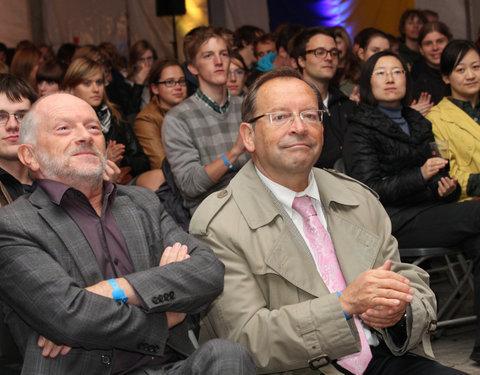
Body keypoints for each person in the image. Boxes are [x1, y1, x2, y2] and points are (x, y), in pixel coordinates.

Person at [190, 67, 464, 375]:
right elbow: (246, 339)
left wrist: (397, 312)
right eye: (280, 117)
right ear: (248, 136)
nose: (299, 127)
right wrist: (343, 306)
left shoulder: (357, 197)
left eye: (310, 115)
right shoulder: (219, 224)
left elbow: (405, 280)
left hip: (381, 355)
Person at [0, 92, 256, 375]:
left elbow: (208, 271)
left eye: (93, 126)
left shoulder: (141, 202)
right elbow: (71, 316)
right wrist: (166, 315)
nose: (85, 136)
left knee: (227, 355)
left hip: (169, 367)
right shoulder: (14, 224)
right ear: (29, 155)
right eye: (64, 128)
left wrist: (115, 289)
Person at [343, 50, 480, 364]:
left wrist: (445, 188)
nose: (391, 79)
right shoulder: (359, 126)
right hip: (391, 221)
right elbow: (370, 189)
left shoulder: (417, 120)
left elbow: (436, 178)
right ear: (366, 82)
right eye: (381, 73)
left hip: (429, 211)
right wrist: (420, 176)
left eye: (398, 72)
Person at [162, 26, 249, 214]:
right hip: (213, 212)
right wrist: (234, 153)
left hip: (254, 201)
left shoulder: (246, 107)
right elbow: (190, 185)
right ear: (192, 67)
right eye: (208, 56)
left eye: (224, 54)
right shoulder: (178, 118)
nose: (219, 62)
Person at [63, 57, 151, 186]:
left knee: (154, 177)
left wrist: (121, 160)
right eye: (87, 83)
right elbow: (64, 170)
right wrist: (105, 160)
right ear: (71, 88)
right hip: (81, 188)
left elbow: (143, 161)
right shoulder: (65, 122)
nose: (96, 89)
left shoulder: (115, 114)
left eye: (99, 82)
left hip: (120, 182)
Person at [290, 26, 355, 168]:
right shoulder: (291, 106)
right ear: (301, 61)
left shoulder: (346, 104)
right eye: (320, 52)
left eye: (333, 53)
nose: (329, 58)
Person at [426, 40, 480, 203]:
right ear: (446, 77)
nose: (470, 75)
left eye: (476, 67)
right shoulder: (436, 119)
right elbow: (447, 175)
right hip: (470, 205)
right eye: (461, 70)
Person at [134, 59, 187, 169]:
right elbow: (160, 163)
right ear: (155, 88)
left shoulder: (192, 109)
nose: (178, 87)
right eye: (170, 82)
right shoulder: (146, 119)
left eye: (181, 81)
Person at [412, 22, 452, 105]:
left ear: (450, 42)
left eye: (440, 41)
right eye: (428, 43)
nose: (435, 47)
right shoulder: (414, 80)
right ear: (421, 49)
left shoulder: (463, 72)